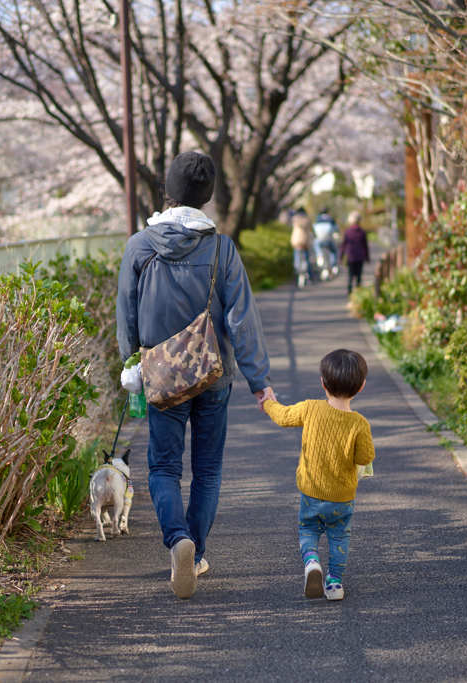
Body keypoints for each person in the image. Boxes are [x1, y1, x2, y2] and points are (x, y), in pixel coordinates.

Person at [116, 151, 276, 599]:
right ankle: (198, 551)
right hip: (213, 376)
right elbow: (242, 319)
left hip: (161, 377)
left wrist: (132, 364)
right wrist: (258, 380)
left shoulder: (139, 247)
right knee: (207, 470)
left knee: (164, 467)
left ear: (168, 190)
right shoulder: (222, 249)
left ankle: (177, 540)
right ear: (207, 198)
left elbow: (126, 315)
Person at [259, 349, 375, 601]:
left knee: (308, 530)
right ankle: (334, 583)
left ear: (323, 383)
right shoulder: (359, 424)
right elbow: (365, 458)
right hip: (342, 497)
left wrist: (268, 401)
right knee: (339, 537)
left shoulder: (310, 408)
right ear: (361, 387)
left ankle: (311, 561)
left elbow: (283, 416)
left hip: (311, 492)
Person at [339, 211, 370, 296]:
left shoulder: (348, 232)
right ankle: (358, 292)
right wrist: (367, 257)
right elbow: (365, 246)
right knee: (359, 276)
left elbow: (343, 245)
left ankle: (350, 291)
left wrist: (341, 256)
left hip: (351, 256)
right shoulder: (362, 232)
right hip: (360, 256)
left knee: (350, 275)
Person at [312, 208, 340, 281]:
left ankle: (319, 255)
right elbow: (336, 229)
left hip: (319, 239)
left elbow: (313, 229)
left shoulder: (317, 219)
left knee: (316, 245)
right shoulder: (330, 218)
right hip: (328, 239)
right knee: (334, 251)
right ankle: (334, 265)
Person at [290, 207, 314, 289]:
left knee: (297, 260)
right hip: (305, 241)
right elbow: (311, 229)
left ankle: (297, 275)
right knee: (307, 260)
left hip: (296, 241)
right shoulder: (307, 219)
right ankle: (309, 276)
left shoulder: (294, 219)